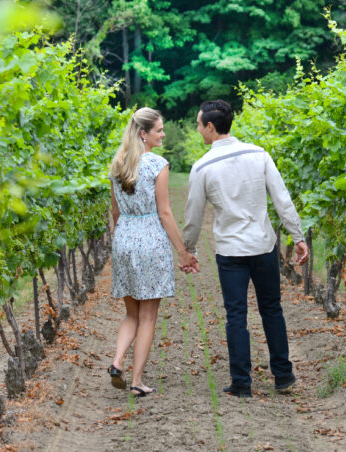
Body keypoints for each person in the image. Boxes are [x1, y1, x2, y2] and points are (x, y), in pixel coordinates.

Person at [182, 99, 308, 398]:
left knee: (236, 315)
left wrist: (189, 249)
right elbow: (282, 199)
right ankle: (283, 375)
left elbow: (193, 216)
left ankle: (241, 382)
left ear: (210, 127)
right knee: (272, 309)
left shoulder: (203, 167)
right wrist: (298, 236)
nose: (198, 130)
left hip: (231, 251)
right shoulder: (259, 154)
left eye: (199, 125)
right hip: (263, 245)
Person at [107, 107, 197, 397]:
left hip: (124, 239)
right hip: (150, 241)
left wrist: (122, 241)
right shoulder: (158, 164)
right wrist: (182, 251)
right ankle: (136, 381)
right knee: (148, 317)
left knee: (131, 314)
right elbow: (165, 212)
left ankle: (117, 361)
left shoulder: (118, 164)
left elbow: (116, 211)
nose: (163, 134)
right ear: (144, 134)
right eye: (159, 130)